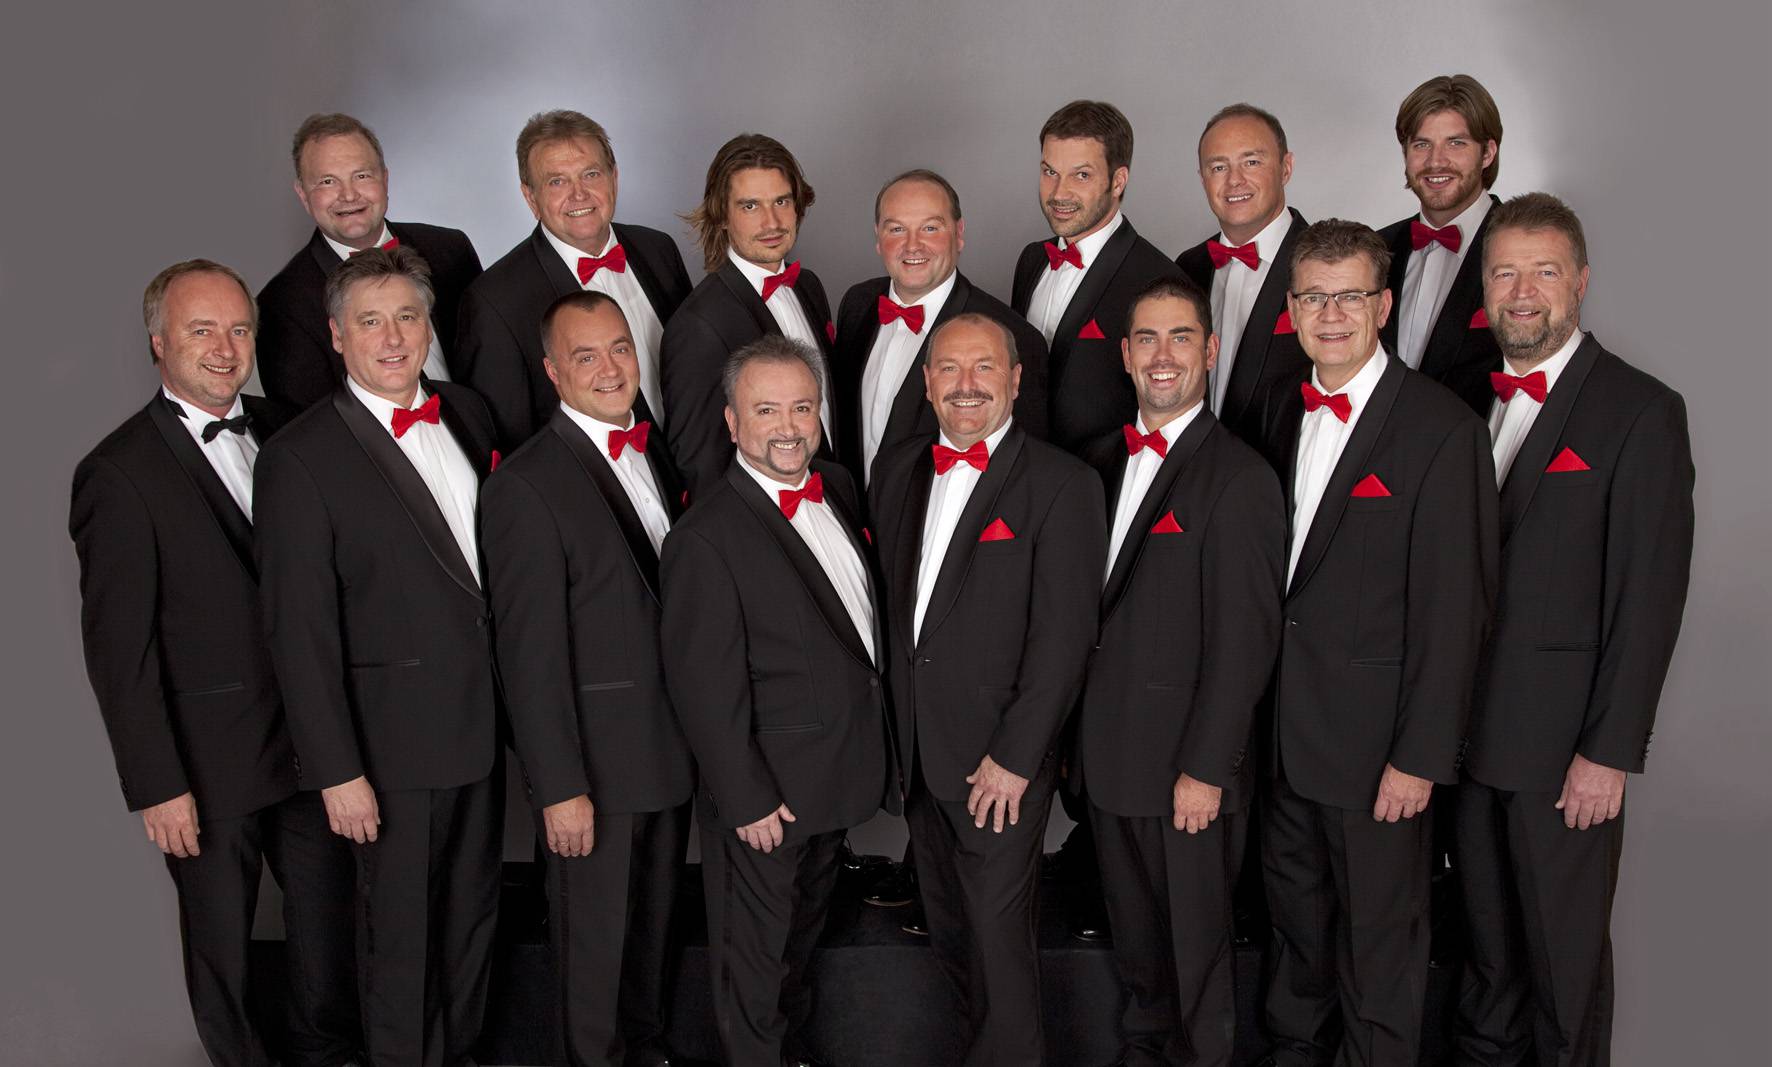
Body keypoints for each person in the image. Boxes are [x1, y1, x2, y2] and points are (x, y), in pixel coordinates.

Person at [70, 259, 360, 1067]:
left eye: (238, 329)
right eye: (202, 330)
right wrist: (156, 783)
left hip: (310, 747)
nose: (226, 348)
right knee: (223, 952)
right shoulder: (117, 472)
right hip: (204, 765)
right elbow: (118, 652)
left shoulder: (293, 426)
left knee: (328, 935)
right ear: (158, 342)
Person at [1454, 193, 1695, 1067]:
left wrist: (1608, 751)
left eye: (1544, 271)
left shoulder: (1638, 410)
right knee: (1486, 971)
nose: (1522, 291)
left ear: (1581, 281)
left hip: (1564, 758)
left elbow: (1648, 597)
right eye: (1504, 272)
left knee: (1564, 976)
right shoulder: (1464, 404)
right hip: (1464, 745)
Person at [1252, 219, 1498, 1067]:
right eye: (1314, 297)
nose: (1330, 314)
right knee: (1295, 936)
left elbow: (1455, 610)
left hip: (1378, 753)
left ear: (1383, 306)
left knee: (1380, 949)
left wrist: (1420, 756)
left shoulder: (1442, 429)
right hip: (1281, 738)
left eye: (1349, 296)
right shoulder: (1276, 405)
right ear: (1291, 308)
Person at [256, 247, 503, 1067]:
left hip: (480, 730)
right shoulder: (299, 456)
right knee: (400, 943)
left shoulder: (466, 414)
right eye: (370, 321)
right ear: (336, 335)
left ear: (428, 325)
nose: (393, 338)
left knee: (471, 923)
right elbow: (298, 632)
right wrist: (337, 771)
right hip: (386, 751)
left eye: (407, 316)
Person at [869, 313, 1105, 1065]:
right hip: (918, 753)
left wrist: (1016, 756)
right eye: (949, 368)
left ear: (1014, 379)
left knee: (999, 944)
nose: (966, 385)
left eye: (984, 368)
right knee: (952, 933)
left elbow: (1064, 640)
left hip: (998, 764)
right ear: (927, 382)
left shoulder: (1063, 484)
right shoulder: (897, 470)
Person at [660, 336, 895, 1067]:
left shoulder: (837, 487)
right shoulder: (705, 537)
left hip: (831, 777)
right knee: (755, 971)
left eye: (802, 407)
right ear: (732, 422)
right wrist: (747, 797)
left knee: (797, 952)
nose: (789, 427)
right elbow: (703, 685)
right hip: (766, 797)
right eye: (766, 410)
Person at [1074, 277, 1286, 1067]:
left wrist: (1207, 768)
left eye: (1182, 337)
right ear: (1126, 356)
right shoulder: (1096, 464)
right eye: (1148, 339)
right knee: (1139, 961)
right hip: (1108, 761)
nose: (1164, 355)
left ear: (1211, 348)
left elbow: (1245, 642)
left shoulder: (1240, 477)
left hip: (1186, 773)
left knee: (1196, 965)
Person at [480, 291, 695, 1067]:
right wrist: (559, 786)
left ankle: (649, 1053)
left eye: (619, 349)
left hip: (670, 752)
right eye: (585, 355)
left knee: (652, 943)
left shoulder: (654, 450)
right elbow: (527, 657)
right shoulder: (526, 484)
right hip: (594, 772)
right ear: (551, 370)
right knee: (595, 959)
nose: (609, 369)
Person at [455, 110, 692, 447]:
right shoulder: (494, 302)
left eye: (591, 174)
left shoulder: (658, 250)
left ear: (614, 178)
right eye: (557, 181)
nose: (579, 194)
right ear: (531, 197)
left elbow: (693, 369)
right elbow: (512, 442)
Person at [832, 169, 1048, 490]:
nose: (912, 246)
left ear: (959, 233)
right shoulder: (857, 304)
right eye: (896, 229)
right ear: (878, 236)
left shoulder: (1013, 335)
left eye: (930, 228)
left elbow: (1027, 471)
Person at [258, 113, 482, 410]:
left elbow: (488, 361)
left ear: (385, 179)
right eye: (327, 182)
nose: (349, 195)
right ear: (303, 194)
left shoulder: (451, 250)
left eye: (362, 176)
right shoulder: (282, 305)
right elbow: (311, 424)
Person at [662, 134, 837, 496]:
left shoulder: (809, 286)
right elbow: (699, 466)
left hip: (827, 501)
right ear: (722, 216)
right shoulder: (697, 324)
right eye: (750, 206)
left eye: (781, 201)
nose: (771, 222)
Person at [1011, 99, 1181, 452]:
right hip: (1023, 470)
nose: (1059, 193)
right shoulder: (1031, 260)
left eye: (1082, 175)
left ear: (1118, 181)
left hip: (1101, 477)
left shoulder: (1159, 282)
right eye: (1050, 172)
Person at [1174, 103, 1311, 446]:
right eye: (1219, 167)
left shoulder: (1327, 266)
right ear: (1203, 179)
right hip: (1195, 467)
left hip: (1284, 469)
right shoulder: (1188, 268)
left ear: (1286, 168)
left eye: (1251, 162)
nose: (1234, 180)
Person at [1377, 75, 1506, 416]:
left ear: (1487, 153)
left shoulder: (1524, 249)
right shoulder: (1376, 250)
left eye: (1456, 143)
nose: (1436, 161)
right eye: (1422, 144)